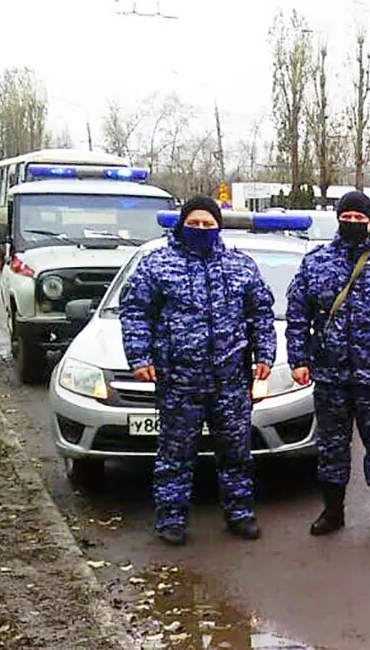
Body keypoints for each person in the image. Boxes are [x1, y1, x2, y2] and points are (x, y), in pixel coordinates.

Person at [120, 196, 276, 546]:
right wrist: (140, 357)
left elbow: (261, 313)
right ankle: (171, 519)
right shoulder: (157, 264)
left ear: (218, 226)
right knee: (175, 455)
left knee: (236, 452)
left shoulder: (240, 266)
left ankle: (239, 514)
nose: (201, 229)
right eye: (195, 223)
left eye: (208, 224)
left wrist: (265, 353)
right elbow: (135, 313)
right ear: (182, 224)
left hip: (230, 381)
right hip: (179, 381)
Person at [285, 191, 370, 538]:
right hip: (330, 376)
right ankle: (332, 512)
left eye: (358, 219)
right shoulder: (316, 262)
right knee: (332, 447)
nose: (352, 224)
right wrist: (299, 359)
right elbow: (298, 315)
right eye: (345, 218)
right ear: (337, 220)